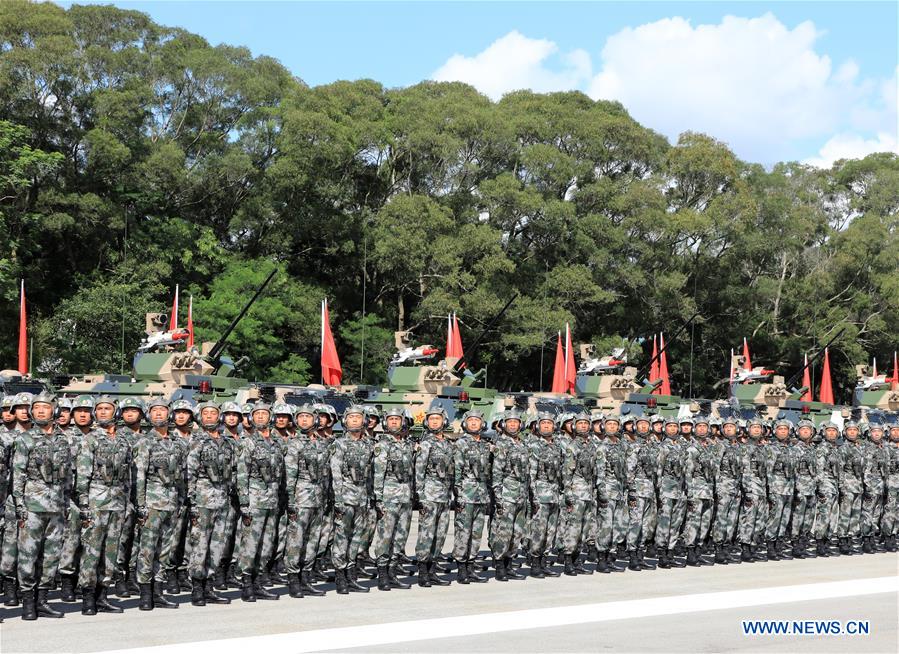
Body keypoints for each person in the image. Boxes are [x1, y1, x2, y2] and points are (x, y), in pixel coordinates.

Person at [12, 392, 71, 620]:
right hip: (32, 505)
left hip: (56, 507)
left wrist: (66, 503)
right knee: (28, 555)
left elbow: (67, 477)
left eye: (45, 408)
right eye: (36, 408)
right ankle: (27, 602)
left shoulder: (63, 440)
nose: (40, 411)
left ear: (54, 411)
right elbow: (18, 475)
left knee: (51, 555)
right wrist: (20, 505)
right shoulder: (25, 440)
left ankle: (43, 600)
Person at [76, 395, 131, 615]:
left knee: (111, 551)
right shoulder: (90, 439)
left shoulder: (123, 441)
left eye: (107, 408)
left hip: (117, 503)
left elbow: (127, 476)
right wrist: (84, 504)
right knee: (91, 550)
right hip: (96, 500)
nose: (102, 412)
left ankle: (103, 595)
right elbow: (83, 475)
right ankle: (88, 597)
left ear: (115, 412)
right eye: (99, 409)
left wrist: (126, 503)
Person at [134, 398, 184, 610]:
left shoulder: (176, 443)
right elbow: (139, 476)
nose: (158, 414)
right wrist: (141, 504)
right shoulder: (145, 442)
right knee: (147, 549)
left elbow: (182, 476)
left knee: (165, 549)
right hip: (152, 503)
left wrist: (180, 500)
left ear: (169, 414)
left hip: (171, 503)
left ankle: (158, 591)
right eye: (154, 411)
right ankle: (145, 593)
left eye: (162, 411)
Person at [329, 405, 374, 594]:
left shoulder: (368, 445)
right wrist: (338, 500)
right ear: (344, 421)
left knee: (357, 538)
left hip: (362, 498)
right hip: (345, 498)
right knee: (341, 537)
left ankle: (351, 573)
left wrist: (371, 498)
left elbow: (371, 474)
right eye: (351, 417)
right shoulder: (339, 444)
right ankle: (340, 576)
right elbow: (336, 473)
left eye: (358, 417)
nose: (354, 420)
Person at [371, 407, 413, 591]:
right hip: (388, 496)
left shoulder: (407, 445)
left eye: (397, 419)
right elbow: (378, 474)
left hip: (405, 497)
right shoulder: (382, 445)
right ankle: (382, 575)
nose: (394, 422)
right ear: (385, 423)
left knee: (401, 536)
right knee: (385, 537)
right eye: (391, 419)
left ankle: (393, 571)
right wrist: (378, 499)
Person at [413, 407, 454, 588]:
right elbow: (419, 472)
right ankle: (422, 572)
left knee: (440, 534)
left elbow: (452, 472)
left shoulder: (447, 444)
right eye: (431, 419)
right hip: (429, 495)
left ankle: (433, 569)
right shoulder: (426, 444)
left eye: (438, 418)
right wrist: (420, 496)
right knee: (426, 534)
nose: (434, 422)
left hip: (444, 496)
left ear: (444, 421)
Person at [452, 409, 491, 584]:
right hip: (466, 495)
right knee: (463, 532)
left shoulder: (485, 445)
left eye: (477, 420)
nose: (474, 423)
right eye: (470, 421)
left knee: (476, 533)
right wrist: (458, 494)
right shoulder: (461, 444)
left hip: (481, 495)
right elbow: (457, 471)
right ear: (465, 424)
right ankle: (461, 568)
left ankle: (471, 566)